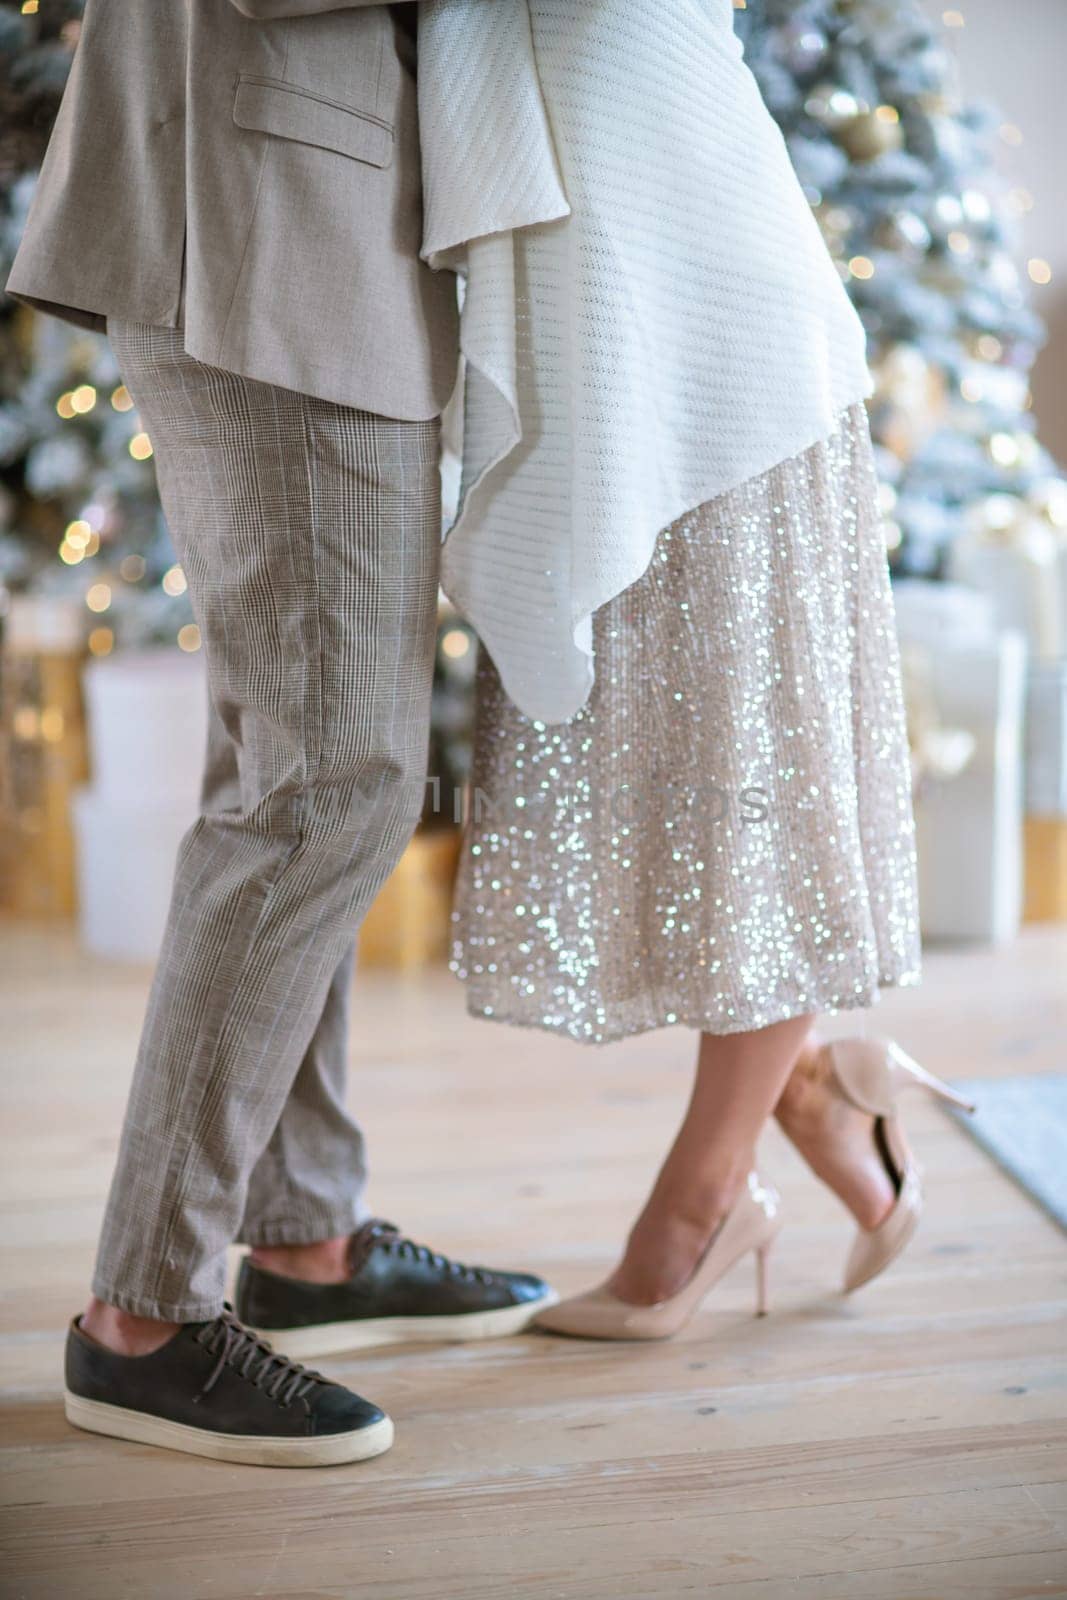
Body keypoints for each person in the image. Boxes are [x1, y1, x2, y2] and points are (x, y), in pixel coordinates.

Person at [7, 0, 556, 1469]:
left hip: (290, 215)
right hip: (273, 227)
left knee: (294, 770)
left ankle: (299, 1234)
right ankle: (143, 1315)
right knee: (330, 788)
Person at [445, 0, 977, 1340]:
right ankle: (812, 1090)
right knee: (696, 777)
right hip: (633, 349)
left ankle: (699, 1201)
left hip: (736, 379)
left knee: (750, 786)